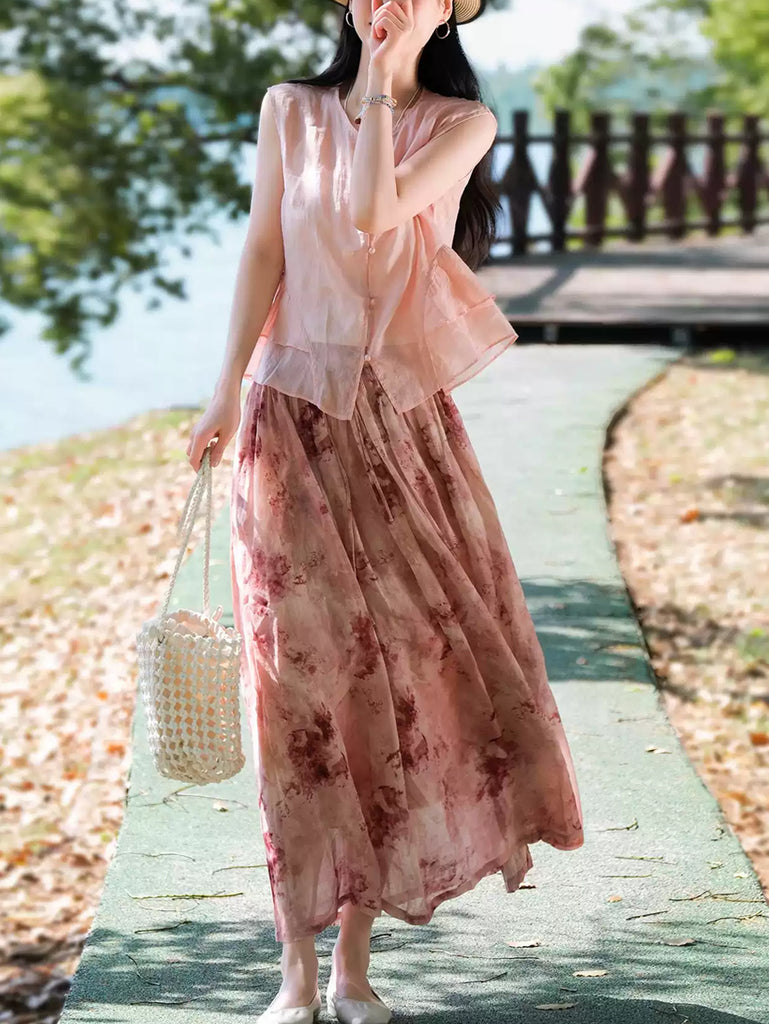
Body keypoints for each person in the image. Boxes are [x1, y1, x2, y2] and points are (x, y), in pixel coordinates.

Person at [186, 0, 585, 1021]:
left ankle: (353, 968)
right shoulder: (289, 108)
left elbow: (371, 213)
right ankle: (293, 971)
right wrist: (223, 389)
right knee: (295, 692)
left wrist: (375, 85)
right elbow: (264, 250)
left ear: (453, 9)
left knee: (391, 684)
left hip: (398, 423)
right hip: (288, 412)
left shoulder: (462, 123)